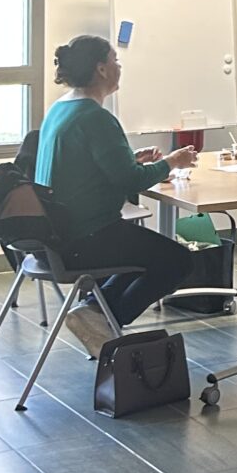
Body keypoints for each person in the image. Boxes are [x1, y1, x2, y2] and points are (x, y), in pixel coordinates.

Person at [34, 36, 196, 358]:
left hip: (56, 236)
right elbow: (130, 181)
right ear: (101, 69)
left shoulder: (62, 108)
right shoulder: (96, 117)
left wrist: (130, 159)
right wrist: (171, 162)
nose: (119, 67)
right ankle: (105, 320)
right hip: (86, 237)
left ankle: (94, 311)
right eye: (116, 61)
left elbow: (87, 167)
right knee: (178, 260)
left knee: (147, 254)